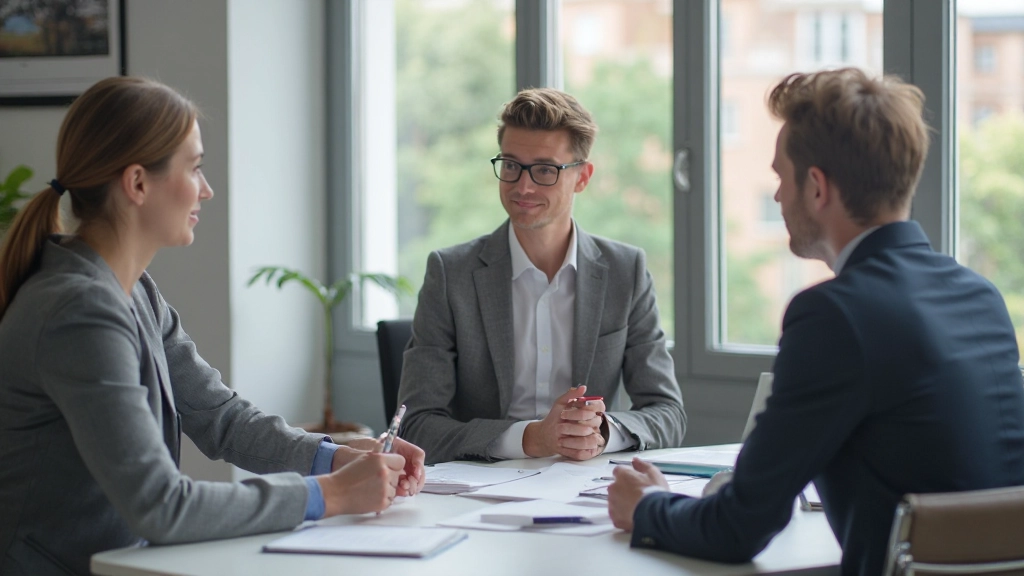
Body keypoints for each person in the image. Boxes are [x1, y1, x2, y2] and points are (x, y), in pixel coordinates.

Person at [0, 77, 426, 576]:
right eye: (195, 168)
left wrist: (331, 457)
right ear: (137, 183)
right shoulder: (79, 311)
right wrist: (327, 494)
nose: (207, 189)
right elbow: (161, 505)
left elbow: (222, 418)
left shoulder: (134, 290)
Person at [607, 68, 1024, 576]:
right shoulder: (980, 296)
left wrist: (648, 505)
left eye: (781, 178)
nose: (779, 196)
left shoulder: (834, 315)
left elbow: (739, 527)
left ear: (818, 187)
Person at [397, 88, 686, 465]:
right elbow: (416, 426)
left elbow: (668, 413)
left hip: (584, 486)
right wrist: (532, 438)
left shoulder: (624, 271)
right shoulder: (451, 274)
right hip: (482, 486)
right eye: (512, 165)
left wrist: (601, 433)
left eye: (546, 169)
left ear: (582, 177)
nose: (523, 186)